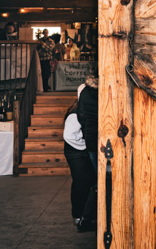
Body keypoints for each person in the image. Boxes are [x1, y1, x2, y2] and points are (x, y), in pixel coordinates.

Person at [63, 88, 96, 231]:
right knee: (81, 184)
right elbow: (69, 136)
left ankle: (80, 216)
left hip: (79, 152)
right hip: (75, 153)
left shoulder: (80, 111)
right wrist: (85, 146)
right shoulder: (75, 114)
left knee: (81, 183)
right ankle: (80, 217)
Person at [77, 73, 98, 171]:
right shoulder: (110, 89)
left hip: (91, 135)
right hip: (110, 134)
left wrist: (85, 130)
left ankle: (98, 185)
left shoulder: (85, 92)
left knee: (95, 167)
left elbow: (81, 115)